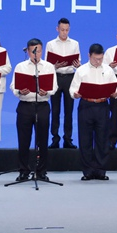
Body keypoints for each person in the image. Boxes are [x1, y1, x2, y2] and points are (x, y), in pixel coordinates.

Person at [10, 38, 58, 181]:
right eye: (32, 52)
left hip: (42, 106)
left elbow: (54, 86)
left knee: (42, 140)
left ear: (42, 51)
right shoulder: (21, 66)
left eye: (38, 51)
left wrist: (47, 92)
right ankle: (23, 171)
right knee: (23, 140)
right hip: (25, 106)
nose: (35, 54)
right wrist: (20, 91)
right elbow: (13, 86)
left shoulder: (48, 66)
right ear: (28, 51)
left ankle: (41, 171)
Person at [71, 43, 117, 181]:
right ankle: (87, 171)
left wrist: (116, 93)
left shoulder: (108, 70)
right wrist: (75, 94)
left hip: (102, 105)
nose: (98, 61)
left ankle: (100, 170)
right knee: (85, 139)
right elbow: (73, 88)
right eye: (95, 59)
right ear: (89, 56)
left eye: (100, 58)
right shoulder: (81, 70)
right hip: (86, 105)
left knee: (102, 139)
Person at [46, 18, 80, 149]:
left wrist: (77, 64)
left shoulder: (75, 43)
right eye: (62, 30)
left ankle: (68, 139)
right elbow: (47, 64)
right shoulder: (51, 44)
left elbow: (78, 61)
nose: (64, 32)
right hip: (56, 77)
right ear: (57, 29)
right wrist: (55, 65)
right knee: (55, 110)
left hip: (70, 77)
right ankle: (55, 138)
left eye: (66, 30)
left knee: (69, 111)